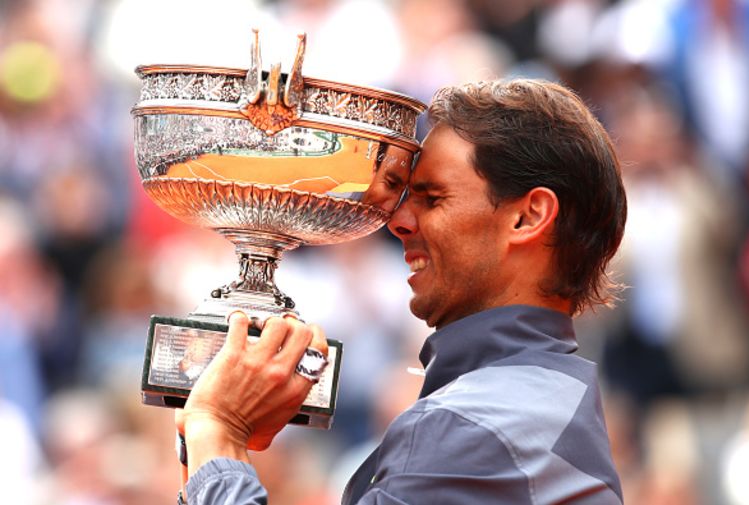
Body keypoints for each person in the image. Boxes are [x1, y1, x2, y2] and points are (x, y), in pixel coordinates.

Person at [175, 78, 627, 504]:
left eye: (433, 199)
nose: (398, 221)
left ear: (528, 218)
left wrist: (220, 431)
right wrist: (205, 457)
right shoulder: (547, 399)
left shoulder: (472, 425)